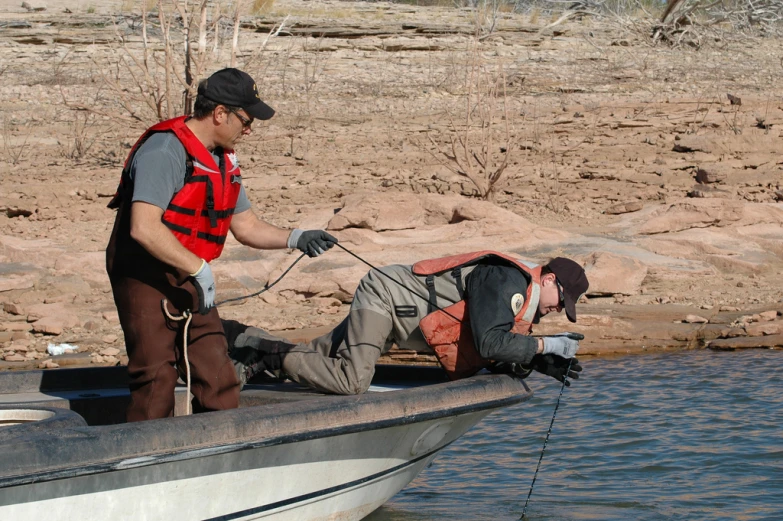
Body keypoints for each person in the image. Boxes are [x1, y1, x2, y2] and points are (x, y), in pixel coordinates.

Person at [106, 68, 337, 421]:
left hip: (190, 272)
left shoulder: (223, 157)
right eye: (246, 120)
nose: (249, 129)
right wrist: (199, 269)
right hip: (144, 272)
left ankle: (219, 449)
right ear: (219, 114)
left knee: (217, 372)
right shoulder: (165, 150)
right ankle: (148, 457)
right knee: (155, 375)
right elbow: (143, 228)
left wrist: (295, 237)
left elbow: (246, 226)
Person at [226, 250, 589, 395]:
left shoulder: (519, 297)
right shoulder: (507, 280)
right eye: (564, 301)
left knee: (314, 357)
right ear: (549, 280)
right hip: (386, 298)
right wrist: (547, 345)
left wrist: (538, 361)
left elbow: (492, 346)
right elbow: (489, 343)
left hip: (400, 320)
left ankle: (244, 341)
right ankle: (268, 352)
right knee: (352, 381)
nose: (560, 310)